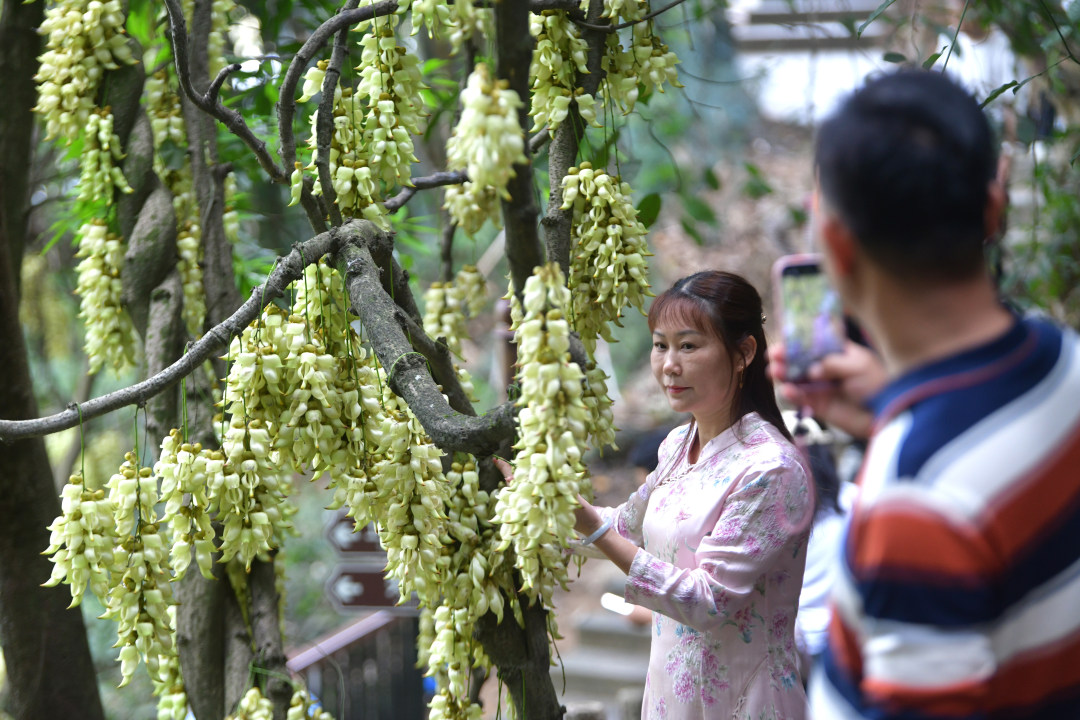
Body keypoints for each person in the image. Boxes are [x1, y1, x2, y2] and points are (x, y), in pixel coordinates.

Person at [769, 69, 1080, 718]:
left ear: (836, 247)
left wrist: (904, 444)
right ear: (993, 207)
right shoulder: (1063, 361)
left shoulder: (917, 505)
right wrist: (891, 415)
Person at [518, 270, 815, 719]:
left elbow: (709, 600)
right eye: (660, 345)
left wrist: (592, 527)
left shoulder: (771, 468)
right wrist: (533, 503)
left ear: (744, 352)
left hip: (746, 703)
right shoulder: (678, 445)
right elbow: (624, 527)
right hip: (667, 700)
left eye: (689, 346)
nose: (668, 365)